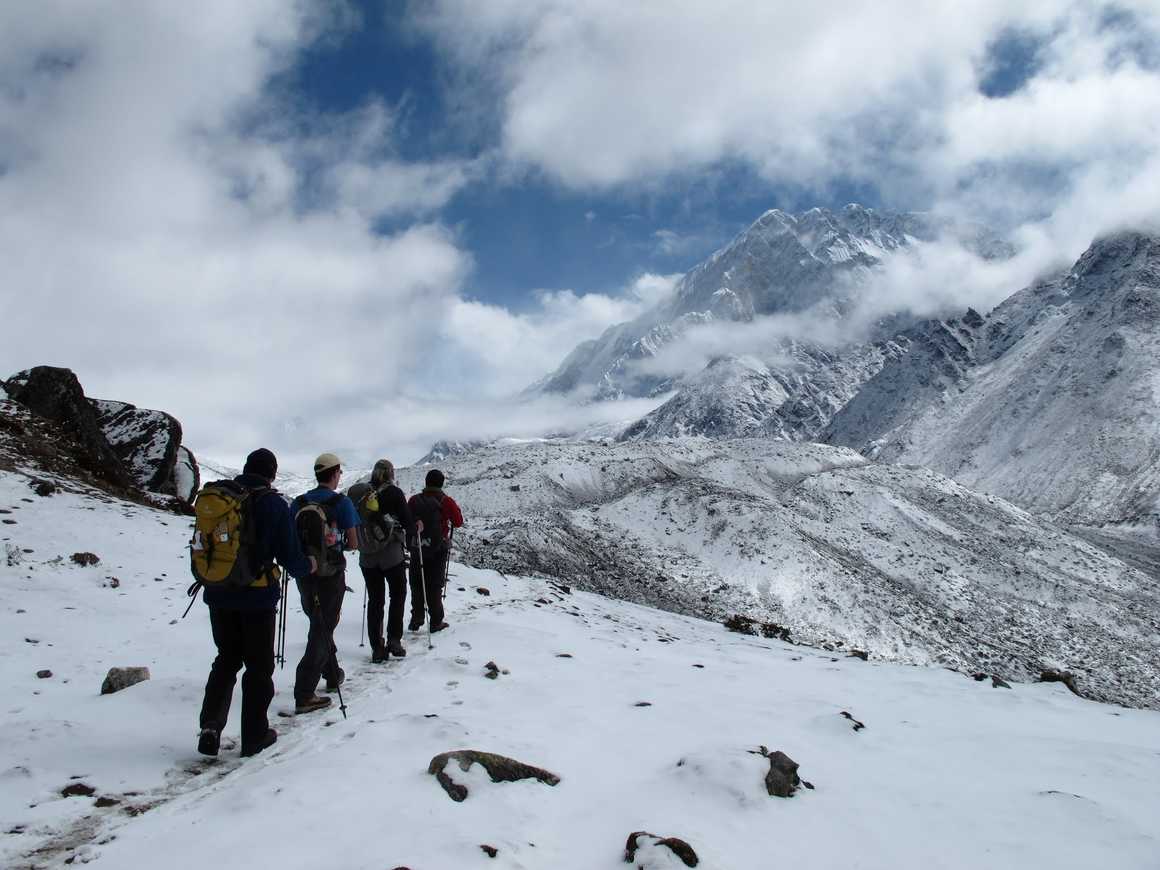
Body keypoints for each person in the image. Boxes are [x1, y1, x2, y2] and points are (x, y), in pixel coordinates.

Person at [197, 448, 315, 758]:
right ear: (272, 474)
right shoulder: (273, 504)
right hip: (257, 597)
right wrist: (309, 567)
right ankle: (254, 735)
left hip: (218, 592)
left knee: (226, 658)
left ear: (246, 468)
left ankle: (210, 726)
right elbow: (290, 555)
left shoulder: (222, 499)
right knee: (259, 667)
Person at [291, 452, 359, 715]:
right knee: (323, 626)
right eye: (339, 472)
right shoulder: (341, 503)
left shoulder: (298, 502)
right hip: (330, 574)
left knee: (318, 622)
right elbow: (353, 543)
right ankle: (305, 692)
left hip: (305, 574)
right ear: (334, 473)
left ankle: (331, 673)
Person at [350, 459, 419, 662]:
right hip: (391, 553)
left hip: (367, 555)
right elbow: (407, 523)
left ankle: (376, 647)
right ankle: (394, 640)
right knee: (397, 594)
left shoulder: (360, 494)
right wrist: (415, 529)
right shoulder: (394, 493)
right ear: (390, 473)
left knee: (375, 600)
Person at [407, 468, 464, 633]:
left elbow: (408, 519)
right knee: (435, 584)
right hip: (438, 549)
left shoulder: (414, 500)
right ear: (441, 483)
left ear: (426, 482)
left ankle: (416, 618)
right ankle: (436, 621)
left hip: (418, 546)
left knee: (417, 583)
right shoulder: (446, 501)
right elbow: (458, 522)